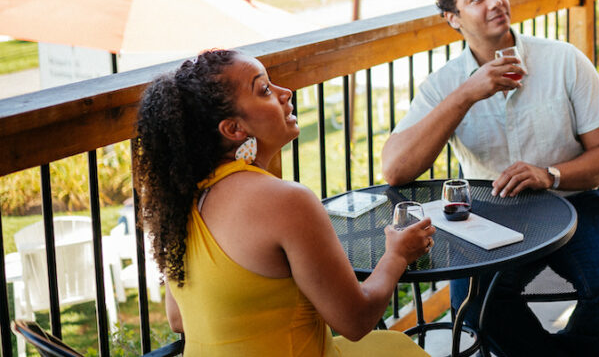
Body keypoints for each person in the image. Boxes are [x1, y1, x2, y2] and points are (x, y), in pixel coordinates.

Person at [381, 0, 599, 357]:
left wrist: (550, 174)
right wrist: (467, 94)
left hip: (580, 202)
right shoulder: (445, 84)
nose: (495, 2)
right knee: (475, 310)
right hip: (491, 215)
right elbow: (395, 168)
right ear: (452, 18)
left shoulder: (563, 59)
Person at [134, 49, 435, 357]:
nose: (284, 92)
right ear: (234, 129)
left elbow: (178, 318)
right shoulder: (285, 201)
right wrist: (397, 255)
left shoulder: (182, 197)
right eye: (264, 89)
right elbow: (356, 321)